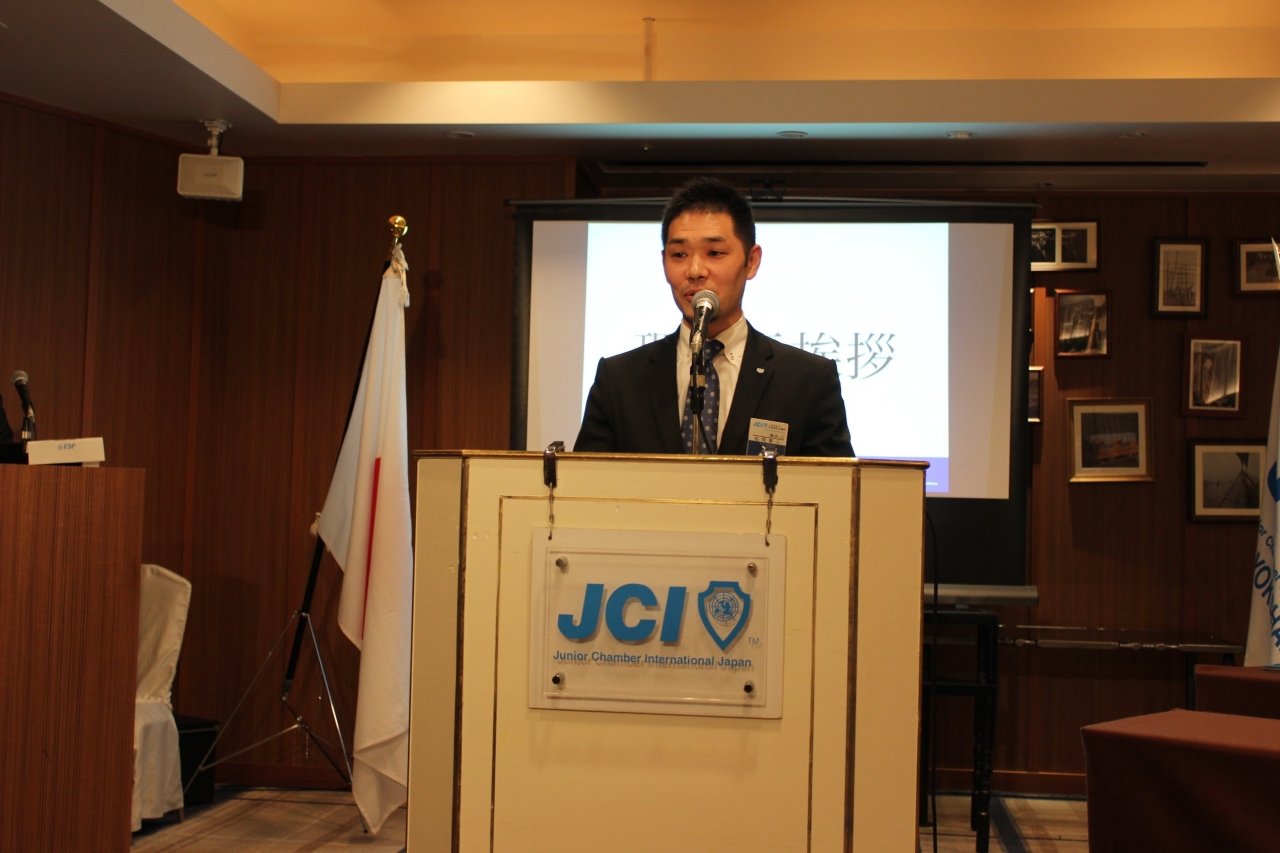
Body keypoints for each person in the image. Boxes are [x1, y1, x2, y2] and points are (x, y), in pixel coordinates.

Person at [574, 177, 853, 457]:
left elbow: (833, 481)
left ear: (751, 261)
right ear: (663, 261)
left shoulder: (807, 379)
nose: (695, 270)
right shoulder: (619, 379)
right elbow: (585, 479)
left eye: (715, 253)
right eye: (679, 254)